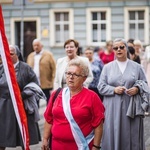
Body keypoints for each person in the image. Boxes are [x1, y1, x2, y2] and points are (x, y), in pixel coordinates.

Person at [42, 58, 105, 150]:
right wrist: (45, 139)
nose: (71, 77)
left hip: (82, 145)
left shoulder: (92, 97)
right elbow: (49, 119)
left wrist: (96, 146)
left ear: (84, 78)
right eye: (68, 73)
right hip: (57, 145)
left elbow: (98, 124)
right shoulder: (56, 94)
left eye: (75, 74)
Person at [98, 38, 148, 150]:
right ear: (113, 50)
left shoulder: (137, 67)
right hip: (112, 107)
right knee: (113, 132)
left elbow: (145, 84)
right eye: (116, 48)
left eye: (122, 47)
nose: (119, 50)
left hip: (132, 108)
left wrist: (137, 88)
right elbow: (100, 86)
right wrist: (113, 90)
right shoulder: (107, 67)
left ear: (126, 48)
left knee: (132, 134)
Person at [0, 45, 41, 150]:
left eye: (11, 53)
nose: (8, 55)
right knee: (2, 136)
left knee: (23, 135)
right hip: (4, 107)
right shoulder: (2, 68)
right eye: (7, 53)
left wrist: (21, 95)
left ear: (17, 54)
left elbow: (35, 85)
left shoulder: (26, 68)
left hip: (21, 106)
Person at [27, 39, 56, 103]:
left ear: (41, 46)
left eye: (37, 45)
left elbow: (54, 69)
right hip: (34, 84)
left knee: (48, 101)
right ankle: (36, 113)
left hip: (46, 83)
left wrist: (53, 82)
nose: (36, 47)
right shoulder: (30, 56)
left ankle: (48, 113)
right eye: (34, 46)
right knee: (35, 102)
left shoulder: (48, 55)